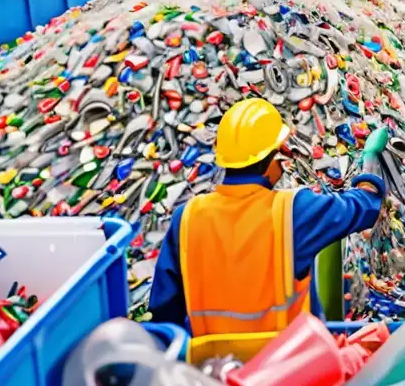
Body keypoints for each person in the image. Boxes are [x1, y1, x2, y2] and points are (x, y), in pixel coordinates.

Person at [149, 99, 385, 335]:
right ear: (272, 161)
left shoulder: (188, 217)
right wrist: (370, 160)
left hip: (211, 364)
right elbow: (363, 208)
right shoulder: (293, 211)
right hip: (286, 362)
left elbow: (164, 311)